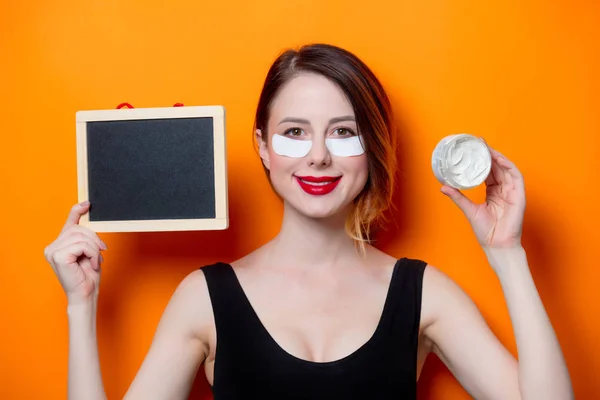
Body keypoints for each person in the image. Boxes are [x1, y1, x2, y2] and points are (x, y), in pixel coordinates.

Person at [44, 44, 573, 399]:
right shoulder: (204, 297)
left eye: (344, 132)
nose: (318, 156)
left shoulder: (423, 292)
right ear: (262, 147)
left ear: (372, 147)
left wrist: (508, 255)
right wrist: (80, 306)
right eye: (294, 132)